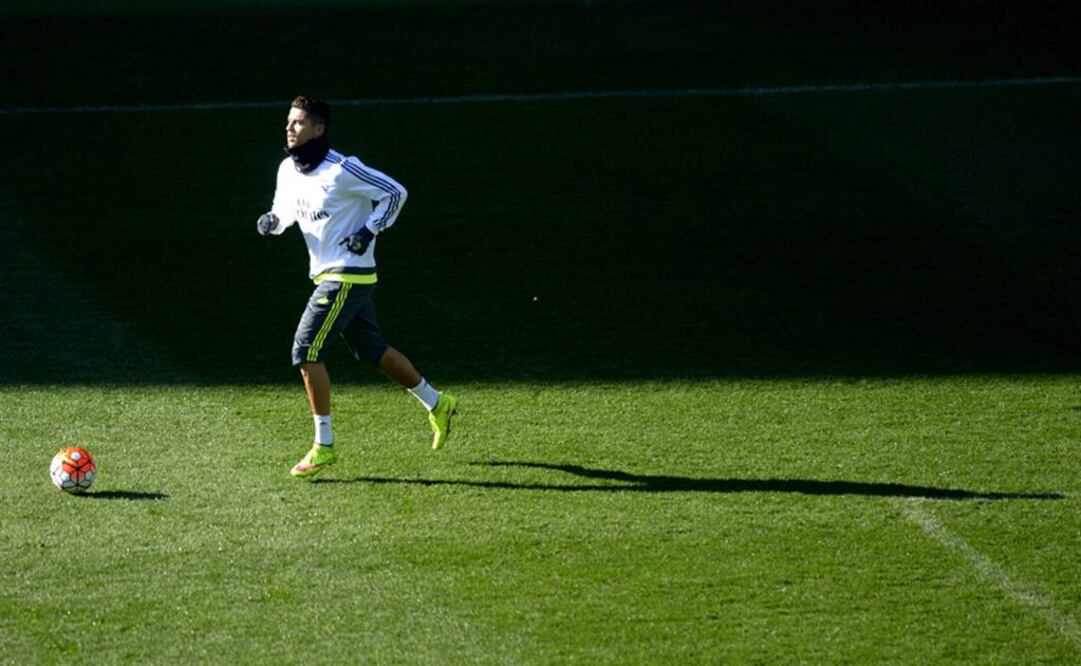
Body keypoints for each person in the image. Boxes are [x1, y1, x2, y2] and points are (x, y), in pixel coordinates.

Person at [256, 96, 457, 478]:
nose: (289, 128)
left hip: (347, 273)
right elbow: (284, 211)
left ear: (319, 129)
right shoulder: (287, 169)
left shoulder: (344, 169)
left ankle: (324, 445)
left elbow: (395, 192)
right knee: (371, 350)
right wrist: (271, 222)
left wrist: (369, 230)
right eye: (288, 122)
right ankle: (438, 403)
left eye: (298, 123)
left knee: (305, 349)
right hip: (327, 273)